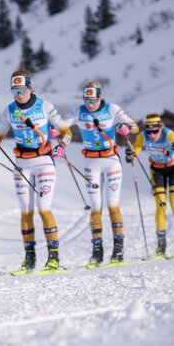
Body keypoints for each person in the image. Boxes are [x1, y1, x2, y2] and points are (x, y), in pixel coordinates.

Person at [0, 71, 72, 272]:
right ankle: (30, 259)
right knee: (26, 211)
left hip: (44, 161)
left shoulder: (44, 106)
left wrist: (61, 146)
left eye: (22, 90)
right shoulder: (9, 110)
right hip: (22, 163)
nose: (19, 94)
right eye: (15, 91)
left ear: (30, 88)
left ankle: (53, 257)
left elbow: (66, 131)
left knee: (44, 207)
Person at [68, 81, 138, 267]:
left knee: (113, 206)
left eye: (93, 101)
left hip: (111, 161)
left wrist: (126, 128)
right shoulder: (78, 110)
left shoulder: (112, 108)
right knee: (95, 207)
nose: (90, 105)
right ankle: (97, 252)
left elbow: (134, 126)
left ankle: (118, 249)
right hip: (91, 162)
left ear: (100, 97)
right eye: (87, 100)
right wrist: (54, 134)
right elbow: (61, 126)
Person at [126, 114, 174, 257]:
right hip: (157, 171)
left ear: (161, 128)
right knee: (161, 205)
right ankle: (161, 243)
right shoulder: (142, 136)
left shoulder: (169, 135)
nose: (151, 135)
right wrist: (129, 155)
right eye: (149, 131)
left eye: (155, 131)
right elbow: (133, 154)